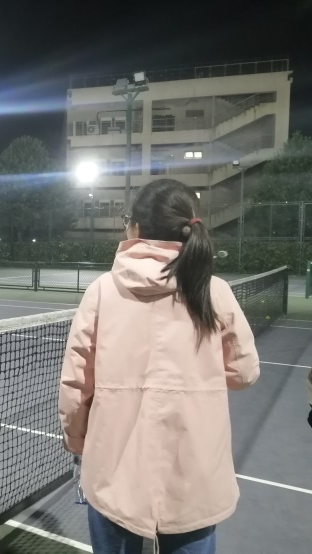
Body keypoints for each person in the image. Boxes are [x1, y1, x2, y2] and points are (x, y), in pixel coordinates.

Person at [59, 179, 259, 554]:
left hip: (113, 472)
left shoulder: (102, 291)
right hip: (195, 477)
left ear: (134, 227)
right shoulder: (214, 291)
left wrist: (77, 441)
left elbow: (76, 384)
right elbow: (244, 373)